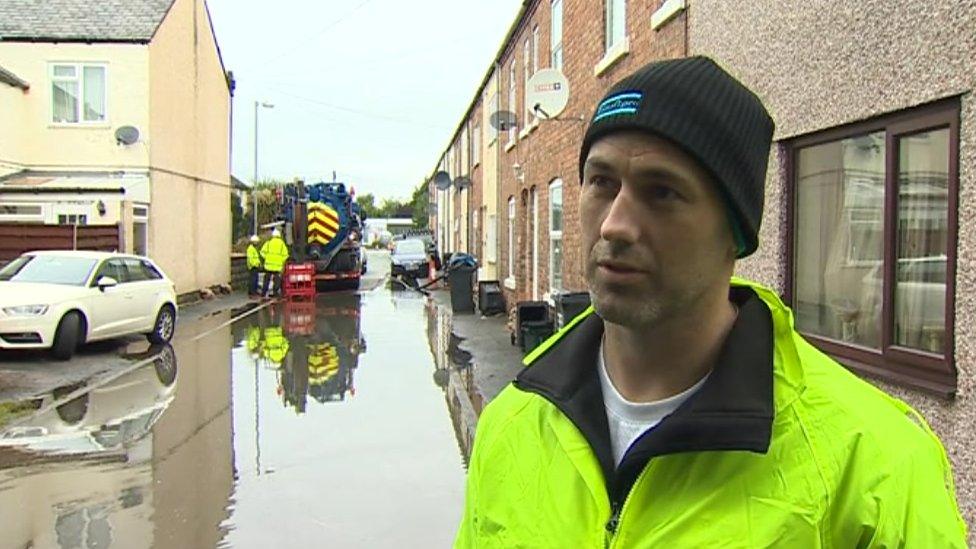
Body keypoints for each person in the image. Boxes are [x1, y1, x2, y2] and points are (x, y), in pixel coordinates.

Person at [455, 56, 967, 547]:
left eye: (662, 192)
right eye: (602, 183)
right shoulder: (513, 425)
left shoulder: (875, 468)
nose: (614, 224)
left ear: (735, 233)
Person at [260, 228, 289, 298]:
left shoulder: (268, 243)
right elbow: (285, 255)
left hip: (268, 266)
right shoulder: (282, 244)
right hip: (277, 266)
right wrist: (281, 261)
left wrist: (267, 258)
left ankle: (263, 293)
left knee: (266, 279)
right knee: (276, 280)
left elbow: (262, 252)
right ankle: (275, 293)